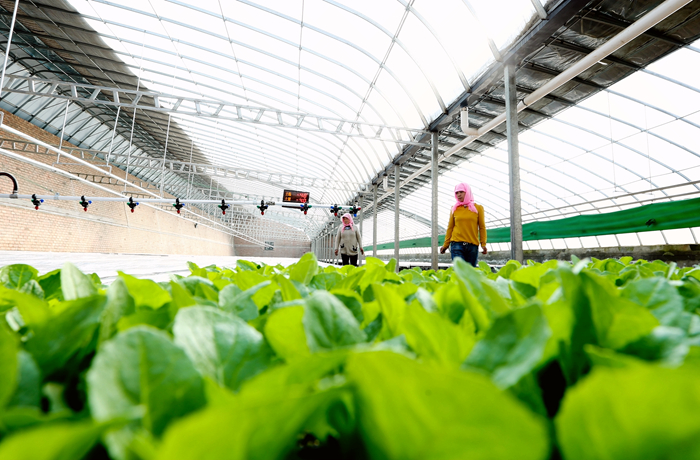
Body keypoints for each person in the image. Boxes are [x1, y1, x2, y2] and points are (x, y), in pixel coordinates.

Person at [440, 182, 487, 267]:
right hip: (456, 245)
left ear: (467, 192)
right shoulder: (454, 209)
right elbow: (450, 228)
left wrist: (483, 243)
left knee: (470, 273)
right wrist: (445, 245)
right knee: (460, 272)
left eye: (461, 192)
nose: (459, 195)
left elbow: (482, 227)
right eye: (456, 193)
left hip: (472, 246)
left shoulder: (478, 208)